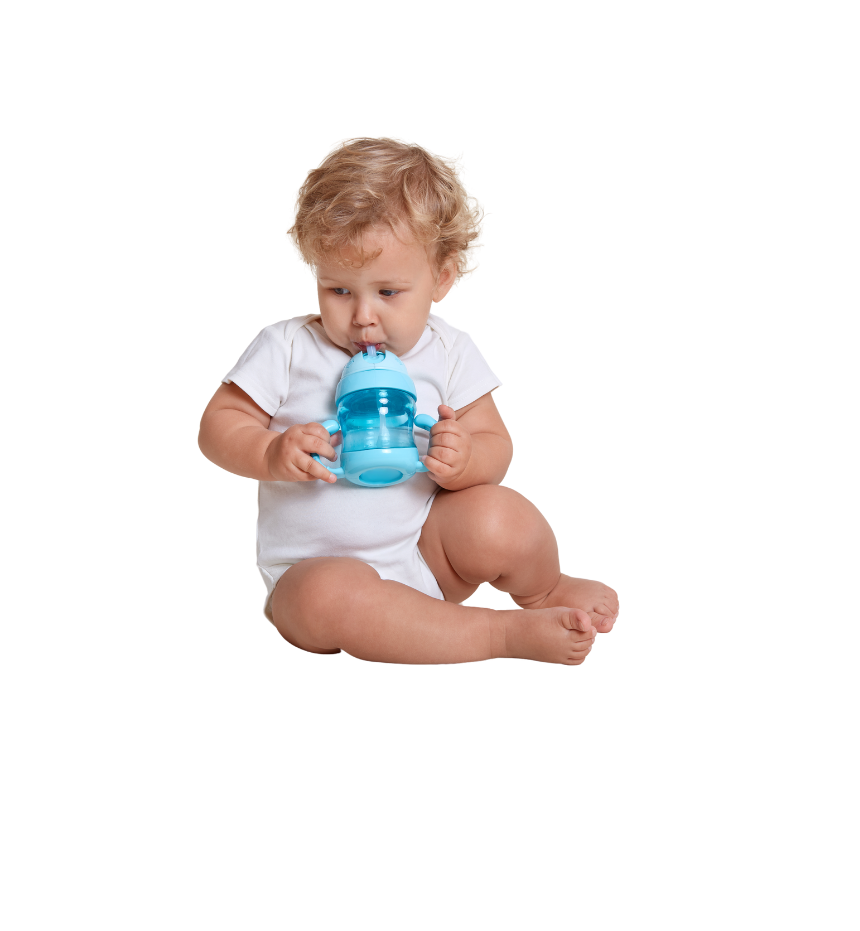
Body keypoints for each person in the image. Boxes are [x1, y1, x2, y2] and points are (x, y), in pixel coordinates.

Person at [196, 136, 619, 665]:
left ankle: (543, 592)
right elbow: (218, 424)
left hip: (424, 555)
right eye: (339, 290)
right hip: (314, 576)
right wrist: (269, 451)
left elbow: (496, 444)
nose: (362, 316)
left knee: (498, 513)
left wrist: (465, 459)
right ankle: (499, 635)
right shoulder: (288, 345)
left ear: (441, 278)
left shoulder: (448, 349)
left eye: (388, 292)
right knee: (327, 595)